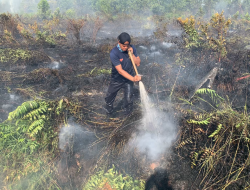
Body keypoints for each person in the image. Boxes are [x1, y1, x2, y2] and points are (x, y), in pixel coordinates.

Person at [104, 32, 141, 115]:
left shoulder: (132, 48)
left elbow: (138, 63)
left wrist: (132, 54)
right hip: (117, 79)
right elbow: (120, 71)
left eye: (127, 46)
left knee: (129, 99)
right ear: (119, 42)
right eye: (123, 46)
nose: (125, 48)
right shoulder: (114, 53)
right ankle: (109, 113)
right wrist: (133, 79)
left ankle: (127, 115)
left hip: (128, 79)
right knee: (109, 98)